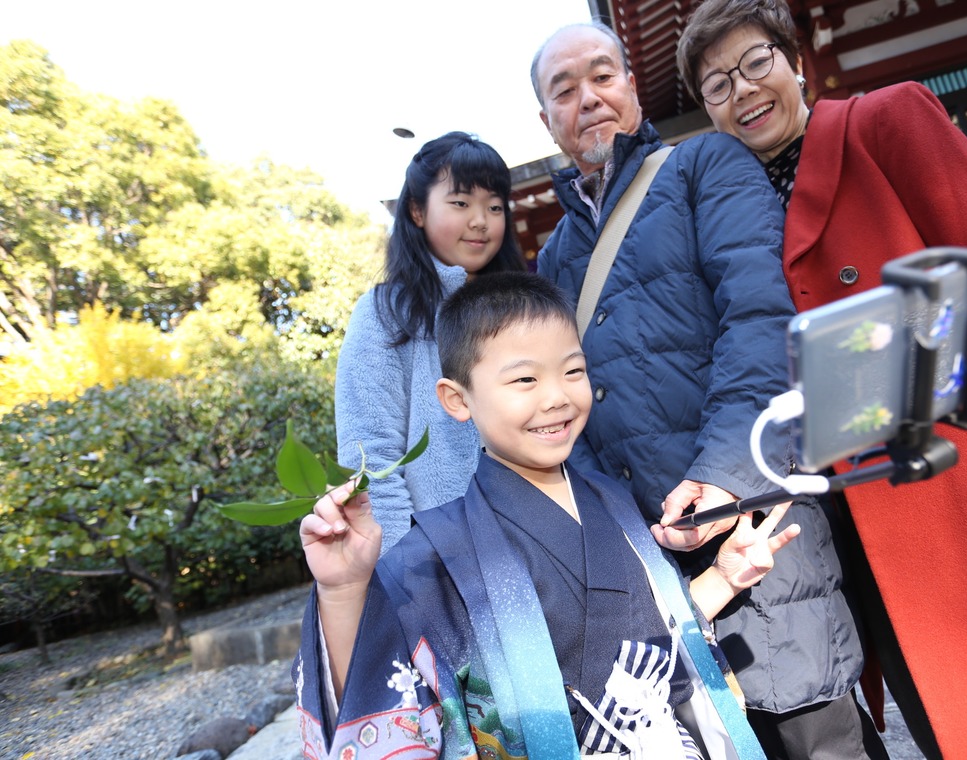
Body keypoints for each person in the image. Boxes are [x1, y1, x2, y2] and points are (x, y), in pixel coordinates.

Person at [675, 1, 967, 758]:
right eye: (717, 84)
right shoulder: (735, 209)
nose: (742, 90)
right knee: (951, 725)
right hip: (859, 523)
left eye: (755, 62)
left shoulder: (886, 123)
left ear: (797, 61)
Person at [532, 21, 889, 760]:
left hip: (757, 523)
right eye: (564, 91)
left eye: (603, 76)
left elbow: (763, 322)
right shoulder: (553, 257)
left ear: (632, 86)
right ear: (546, 121)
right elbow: (564, 415)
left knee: (813, 729)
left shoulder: (705, 166)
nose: (588, 99)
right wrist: (612, 540)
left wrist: (724, 481)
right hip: (655, 565)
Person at [295, 271, 802, 759]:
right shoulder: (435, 551)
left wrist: (724, 579)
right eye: (524, 379)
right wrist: (341, 591)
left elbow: (653, 634)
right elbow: (379, 690)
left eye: (573, 371)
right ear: (457, 399)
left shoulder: (610, 499)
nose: (557, 396)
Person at [335, 131, 526, 553]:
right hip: (444, 557)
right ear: (418, 211)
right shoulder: (385, 313)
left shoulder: (525, 307)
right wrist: (407, 565)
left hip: (540, 540)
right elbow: (371, 456)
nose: (481, 220)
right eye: (460, 203)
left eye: (494, 207)